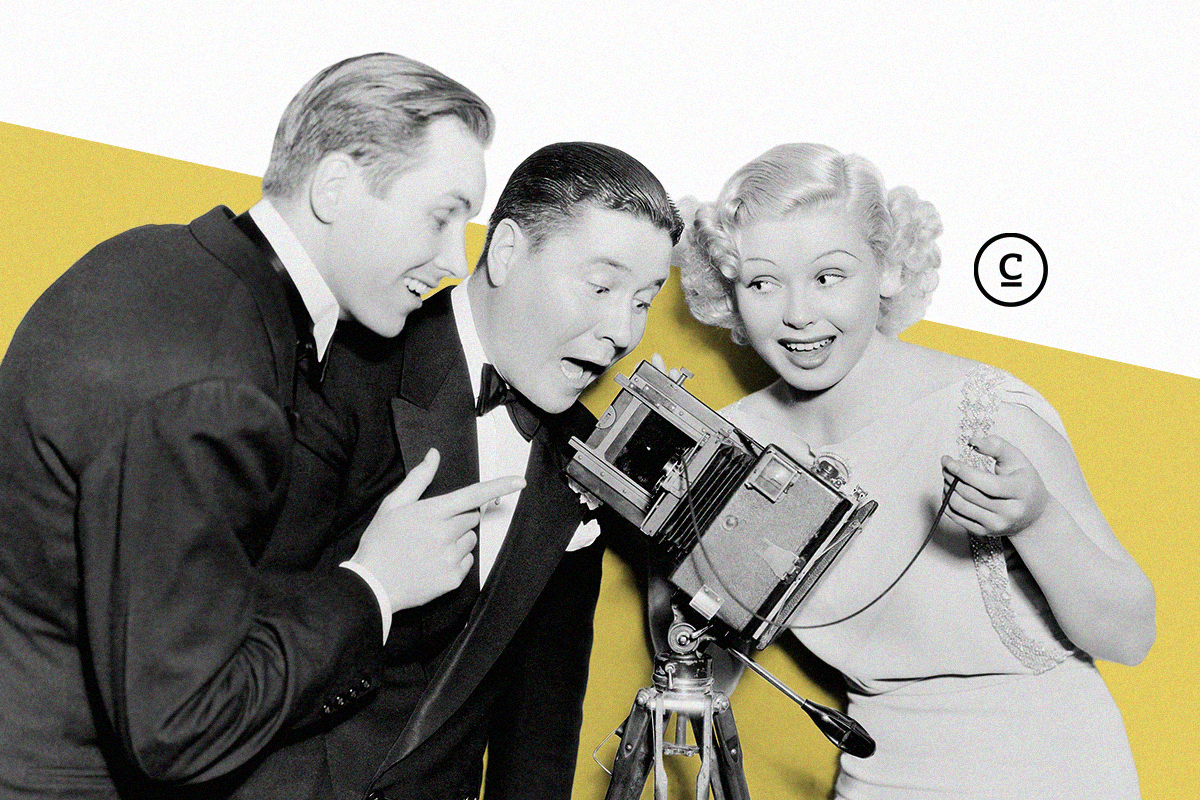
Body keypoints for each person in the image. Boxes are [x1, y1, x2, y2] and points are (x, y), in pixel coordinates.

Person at [0, 53, 521, 799]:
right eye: (443, 217)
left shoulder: (158, 258)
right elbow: (181, 725)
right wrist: (375, 583)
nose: (451, 260)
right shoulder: (218, 379)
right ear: (336, 185)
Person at [677, 143, 1156, 799]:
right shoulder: (733, 442)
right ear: (728, 288)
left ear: (890, 271)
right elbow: (702, 659)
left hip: (1055, 767)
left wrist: (1038, 520)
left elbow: (1130, 636)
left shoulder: (984, 414)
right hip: (879, 774)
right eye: (763, 282)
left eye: (828, 276)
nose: (796, 314)